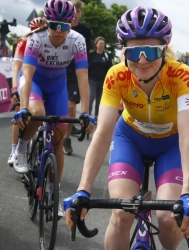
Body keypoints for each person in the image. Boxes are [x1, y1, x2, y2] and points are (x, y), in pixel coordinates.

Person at [63, 6, 189, 250]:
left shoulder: (182, 75)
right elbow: (103, 132)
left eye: (150, 50)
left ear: (165, 49)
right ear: (123, 51)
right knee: (121, 214)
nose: (142, 60)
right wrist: (83, 189)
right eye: (134, 52)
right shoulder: (116, 75)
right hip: (130, 139)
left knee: (169, 218)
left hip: (170, 144)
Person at [11, 0, 94, 217]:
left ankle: (53, 191)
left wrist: (85, 111)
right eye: (54, 25)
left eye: (64, 26)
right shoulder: (36, 39)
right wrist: (24, 107)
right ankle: (22, 146)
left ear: (71, 25)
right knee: (37, 114)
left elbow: (82, 78)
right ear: (46, 23)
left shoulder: (78, 41)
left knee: (57, 139)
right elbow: (27, 74)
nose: (59, 31)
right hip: (35, 81)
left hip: (58, 86)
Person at [7, 17, 47, 167]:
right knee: (20, 109)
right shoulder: (24, 43)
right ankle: (14, 149)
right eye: (37, 31)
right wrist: (15, 89)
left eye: (43, 30)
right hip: (25, 78)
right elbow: (17, 67)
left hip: (42, 80)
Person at [63, 0, 92, 155]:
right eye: (73, 10)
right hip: (59, 68)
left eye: (78, 10)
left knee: (70, 106)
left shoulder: (85, 31)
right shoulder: (60, 26)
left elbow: (85, 54)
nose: (75, 13)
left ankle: (67, 137)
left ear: (81, 12)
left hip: (75, 71)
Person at [88, 36, 112, 124]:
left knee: (100, 99)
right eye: (100, 43)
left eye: (103, 43)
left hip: (102, 80)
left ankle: (97, 116)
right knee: (91, 96)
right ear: (96, 44)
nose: (101, 45)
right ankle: (88, 115)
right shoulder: (91, 55)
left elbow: (110, 68)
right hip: (91, 79)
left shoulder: (106, 56)